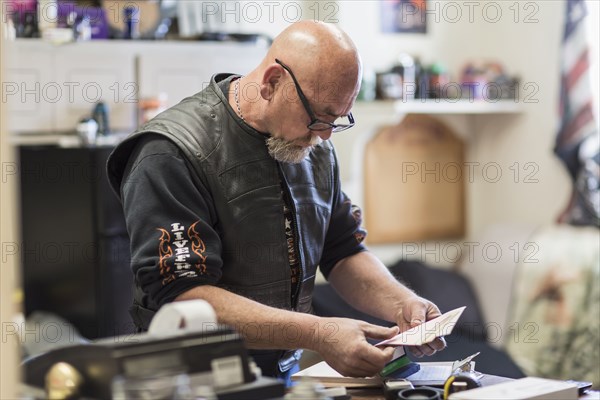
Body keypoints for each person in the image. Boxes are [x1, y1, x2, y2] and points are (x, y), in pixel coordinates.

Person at [107, 20, 446, 385]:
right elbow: (187, 297)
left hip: (279, 379)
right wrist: (319, 334)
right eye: (318, 117)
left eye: (337, 119)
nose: (325, 135)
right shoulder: (171, 153)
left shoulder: (313, 146)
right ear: (272, 82)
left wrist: (401, 305)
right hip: (187, 382)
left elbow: (343, 250)